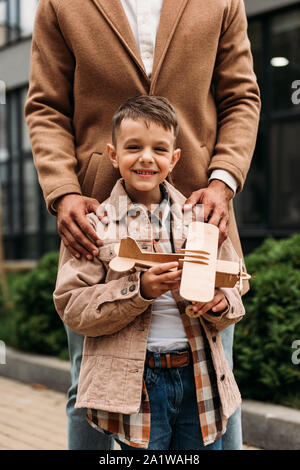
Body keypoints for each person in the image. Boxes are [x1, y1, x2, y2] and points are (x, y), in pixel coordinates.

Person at [25, 0, 260, 450]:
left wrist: (224, 179)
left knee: (216, 375)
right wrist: (63, 190)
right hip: (100, 222)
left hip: (201, 209)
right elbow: (46, 105)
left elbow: (241, 97)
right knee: (89, 383)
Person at [53, 95, 246, 450]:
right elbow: (71, 305)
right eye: (133, 147)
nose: (146, 157)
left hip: (198, 377)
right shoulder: (97, 226)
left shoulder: (199, 221)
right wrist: (138, 291)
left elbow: (238, 282)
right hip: (137, 387)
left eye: (159, 149)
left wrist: (219, 303)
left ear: (174, 159)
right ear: (113, 155)